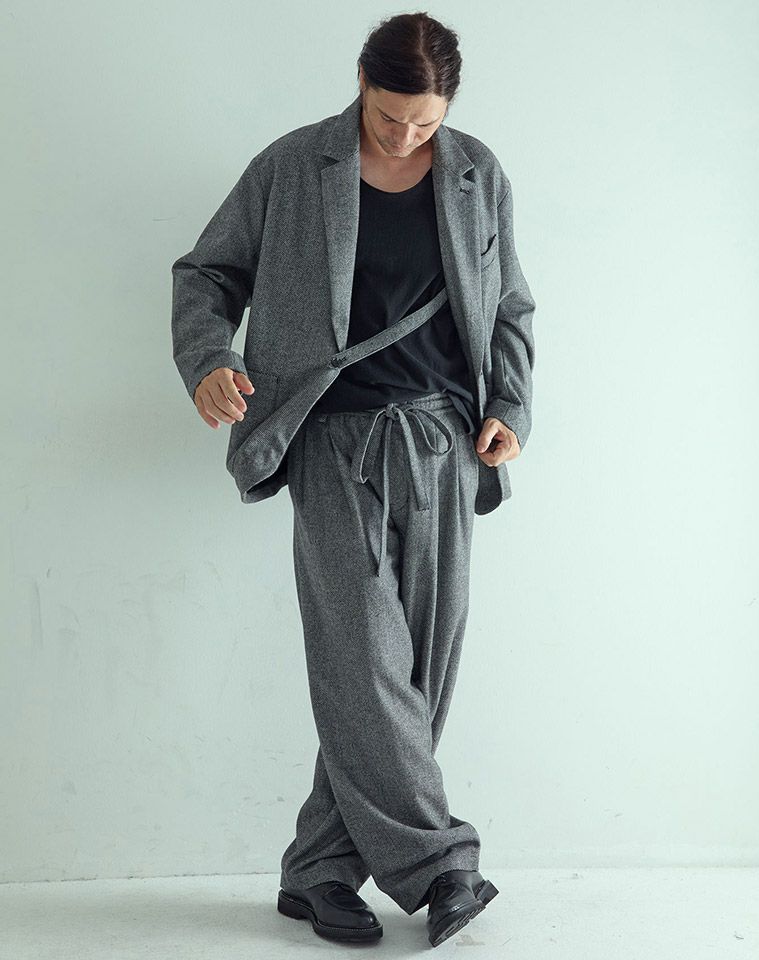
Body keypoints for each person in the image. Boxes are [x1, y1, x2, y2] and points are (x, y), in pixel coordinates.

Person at [171, 11, 535, 949]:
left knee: (417, 668)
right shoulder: (294, 166)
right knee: (364, 662)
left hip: (446, 441)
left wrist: (511, 404)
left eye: (424, 121)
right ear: (361, 85)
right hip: (330, 441)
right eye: (387, 117)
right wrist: (209, 356)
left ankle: (319, 871)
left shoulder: (477, 173)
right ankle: (444, 866)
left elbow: (510, 305)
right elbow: (207, 273)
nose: (405, 137)